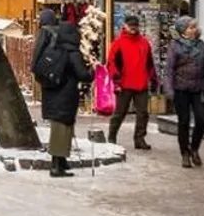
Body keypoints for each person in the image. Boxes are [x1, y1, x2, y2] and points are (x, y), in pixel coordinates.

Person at [31, 9, 91, 178]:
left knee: (60, 129)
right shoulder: (71, 52)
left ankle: (61, 162)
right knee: (62, 130)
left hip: (52, 94)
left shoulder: (53, 48)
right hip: (65, 96)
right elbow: (83, 74)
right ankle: (56, 166)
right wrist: (92, 73)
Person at [163, 16, 204, 168]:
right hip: (181, 89)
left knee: (202, 120)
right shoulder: (175, 46)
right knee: (184, 122)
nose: (194, 29)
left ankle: (194, 148)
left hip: (198, 88)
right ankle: (185, 153)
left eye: (195, 27)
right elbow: (169, 70)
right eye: (190, 27)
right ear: (183, 30)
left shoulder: (201, 45)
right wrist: (169, 90)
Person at [104, 14, 155, 151]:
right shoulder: (118, 43)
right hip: (124, 84)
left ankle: (139, 139)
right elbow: (111, 63)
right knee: (120, 113)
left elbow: (150, 63)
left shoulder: (144, 42)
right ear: (125, 26)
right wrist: (116, 80)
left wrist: (153, 79)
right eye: (130, 25)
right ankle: (112, 136)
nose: (133, 28)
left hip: (141, 83)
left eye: (135, 25)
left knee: (143, 113)